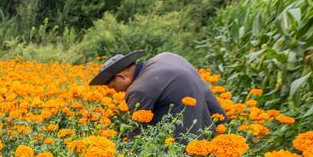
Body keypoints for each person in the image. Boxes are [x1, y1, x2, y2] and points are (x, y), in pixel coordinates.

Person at [89, 50, 227, 138]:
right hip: (209, 129)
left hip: (184, 145)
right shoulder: (166, 57)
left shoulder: (138, 89)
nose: (115, 91)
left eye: (112, 86)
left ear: (121, 77)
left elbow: (138, 130)